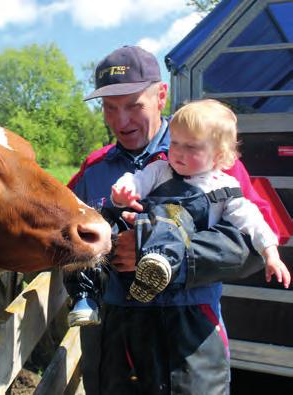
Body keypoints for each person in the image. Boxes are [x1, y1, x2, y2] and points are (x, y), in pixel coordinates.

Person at [63, 45, 283, 394]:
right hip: (114, 338)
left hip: (190, 335)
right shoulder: (94, 169)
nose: (121, 121)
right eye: (110, 108)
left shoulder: (214, 160)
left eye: (134, 105)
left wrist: (172, 259)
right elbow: (57, 232)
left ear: (161, 95)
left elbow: (256, 244)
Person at [110, 99, 290, 303]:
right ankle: (88, 291)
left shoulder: (225, 186)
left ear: (218, 156)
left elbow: (252, 221)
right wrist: (122, 194)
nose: (178, 151)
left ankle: (159, 263)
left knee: (174, 214)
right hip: (132, 281)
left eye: (191, 147)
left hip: (191, 298)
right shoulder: (160, 168)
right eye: (174, 142)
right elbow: (135, 179)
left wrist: (270, 253)